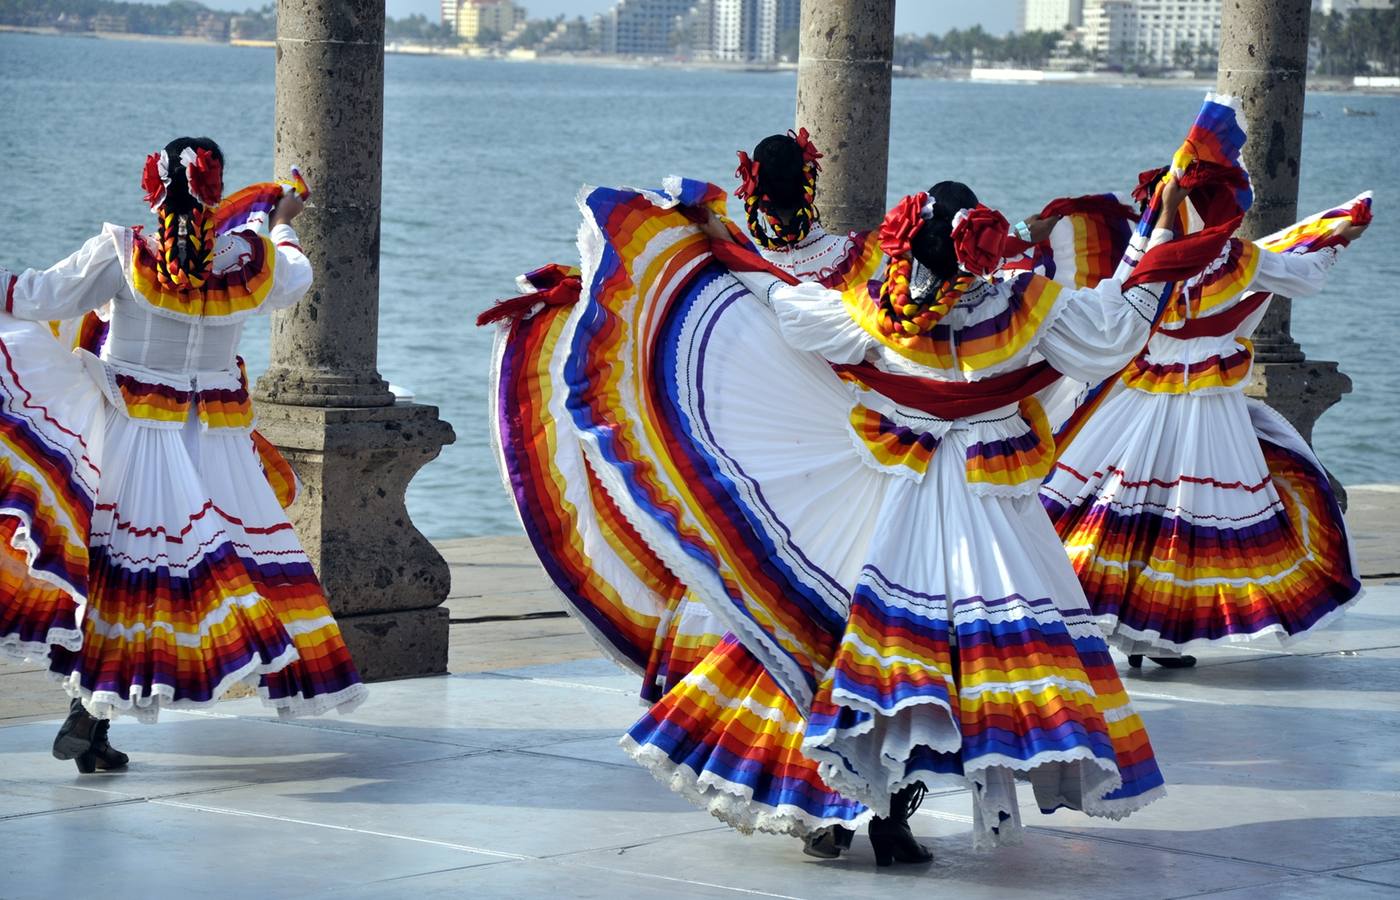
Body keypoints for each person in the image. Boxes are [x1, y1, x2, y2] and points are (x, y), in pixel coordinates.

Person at [0, 137, 367, 772]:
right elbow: (297, 275)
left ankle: (88, 718)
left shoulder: (124, 253)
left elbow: (37, 297)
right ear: (216, 193)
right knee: (227, 573)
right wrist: (280, 222)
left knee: (120, 578)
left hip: (132, 437)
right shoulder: (250, 259)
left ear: (153, 190)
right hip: (217, 445)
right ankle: (92, 719)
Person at [1040, 184, 1371, 668]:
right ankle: (1154, 637)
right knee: (1183, 526)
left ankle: (1129, 634)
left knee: (1115, 510)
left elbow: (1113, 304)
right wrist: (1340, 237)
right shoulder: (1238, 260)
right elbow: (1304, 273)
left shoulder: (1151, 255)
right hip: (1208, 415)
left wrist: (1164, 212)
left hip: (1139, 404)